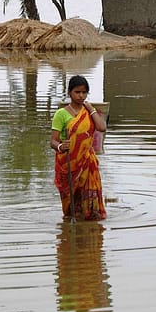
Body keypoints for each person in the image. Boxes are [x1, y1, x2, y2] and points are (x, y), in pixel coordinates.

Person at [50, 75, 107, 221]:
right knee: (71, 204)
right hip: (69, 162)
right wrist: (62, 146)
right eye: (77, 92)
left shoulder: (89, 112)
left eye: (84, 92)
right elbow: (53, 141)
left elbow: (101, 127)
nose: (81, 96)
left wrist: (91, 109)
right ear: (70, 92)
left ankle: (90, 231)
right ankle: (70, 228)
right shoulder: (61, 114)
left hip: (87, 162)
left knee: (89, 202)